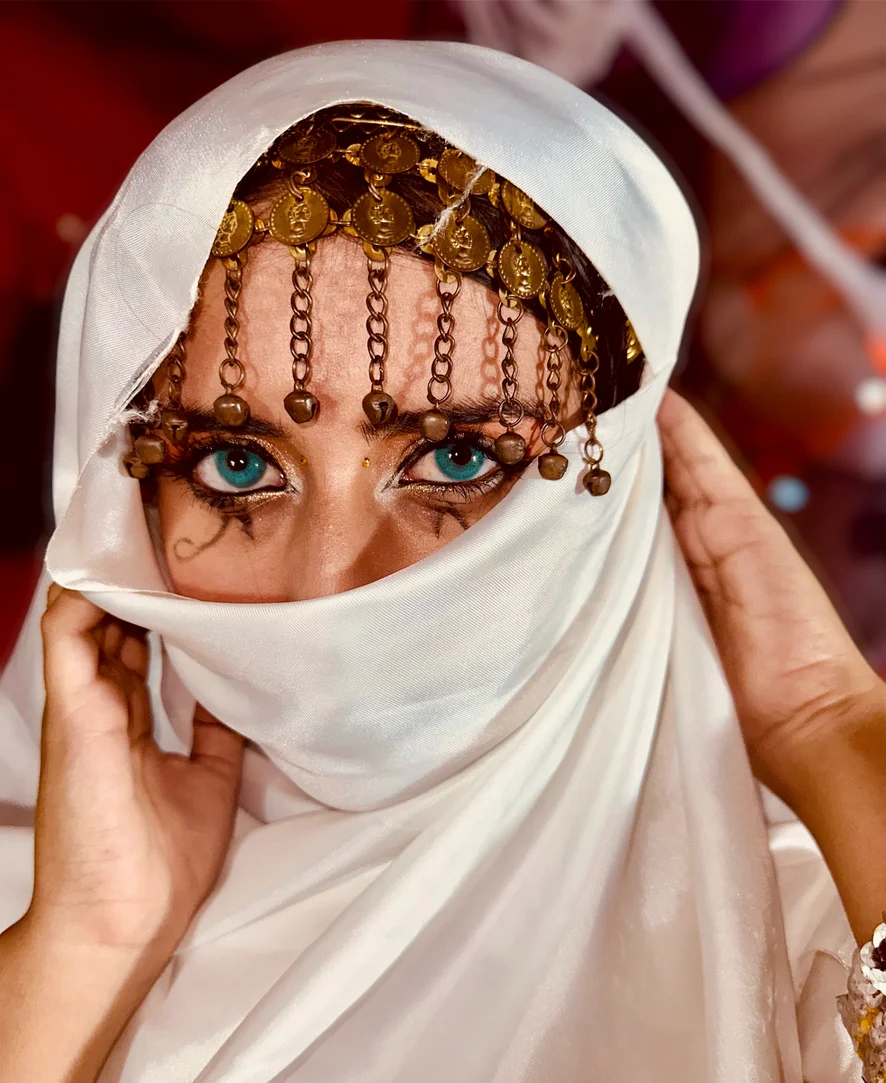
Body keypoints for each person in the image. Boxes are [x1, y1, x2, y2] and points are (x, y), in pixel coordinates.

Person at [0, 39, 884, 1083]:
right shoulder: (48, 886)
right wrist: (87, 942)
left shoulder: (816, 935)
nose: (332, 585)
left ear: (615, 476)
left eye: (455, 459)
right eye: (238, 466)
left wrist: (833, 726)